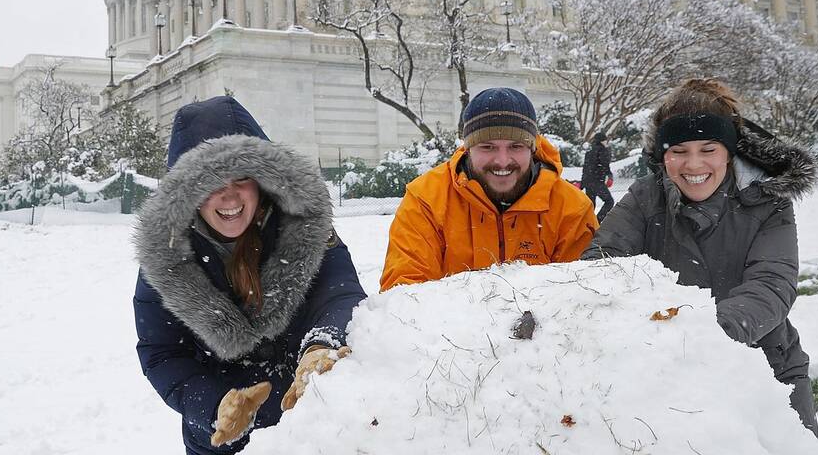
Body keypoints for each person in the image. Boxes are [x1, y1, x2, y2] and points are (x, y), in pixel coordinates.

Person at [582, 78, 818, 435]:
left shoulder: (768, 202)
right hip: (662, 373)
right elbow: (601, 263)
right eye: (679, 150)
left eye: (708, 149)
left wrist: (702, 335)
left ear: (729, 151)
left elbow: (772, 284)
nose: (693, 165)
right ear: (663, 156)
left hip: (765, 366)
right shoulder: (646, 196)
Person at [133, 95, 366, 454]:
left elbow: (338, 292)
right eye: (209, 182)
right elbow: (162, 352)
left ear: (262, 180)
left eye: (241, 177)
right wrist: (214, 405)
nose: (229, 197)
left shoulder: (303, 227)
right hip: (224, 444)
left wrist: (322, 344)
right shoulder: (165, 257)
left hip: (308, 422)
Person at [381, 87, 598, 291]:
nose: (502, 161)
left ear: (532, 149)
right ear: (468, 149)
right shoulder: (426, 200)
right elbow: (405, 295)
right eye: (488, 147)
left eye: (516, 146)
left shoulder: (571, 207)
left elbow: (582, 294)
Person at [581, 131, 615, 222]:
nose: (606, 142)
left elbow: (585, 169)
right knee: (609, 201)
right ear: (601, 141)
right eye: (605, 140)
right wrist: (609, 176)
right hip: (597, 181)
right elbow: (605, 165)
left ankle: (588, 224)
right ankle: (597, 221)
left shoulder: (589, 152)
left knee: (591, 206)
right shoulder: (603, 151)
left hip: (588, 182)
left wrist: (583, 184)